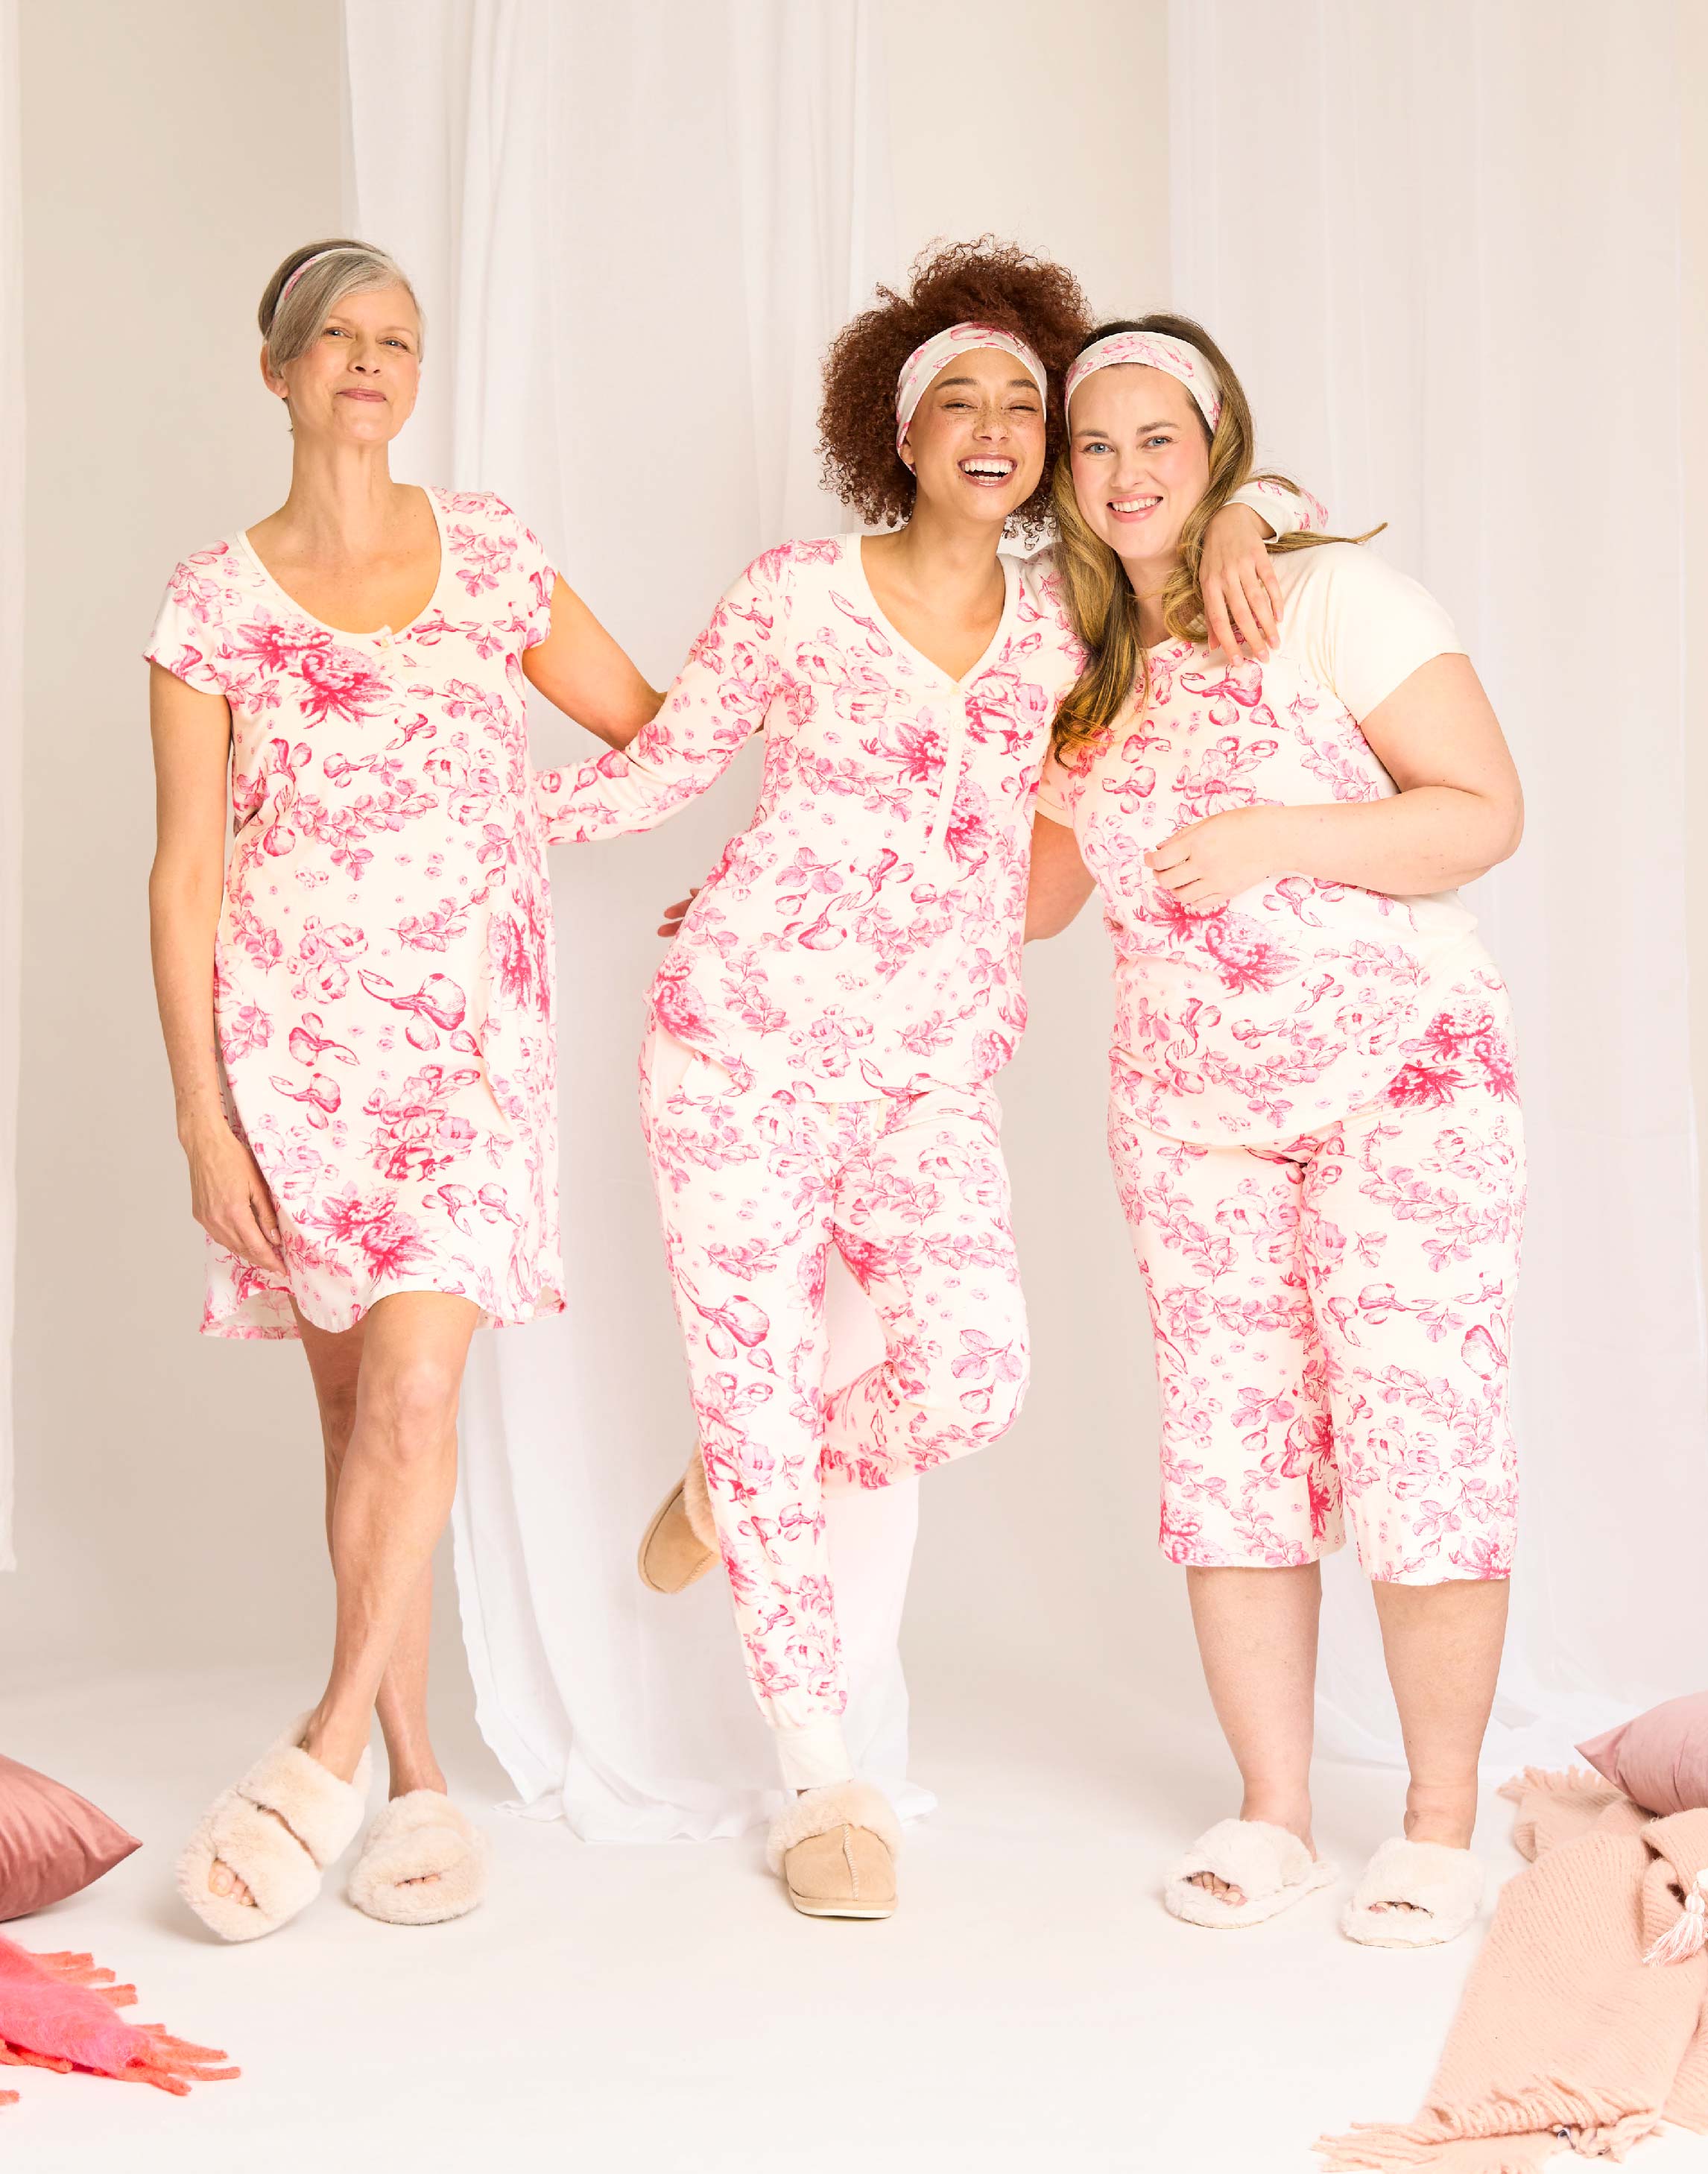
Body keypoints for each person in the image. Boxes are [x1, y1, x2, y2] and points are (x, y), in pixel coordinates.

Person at [538, 244, 1321, 1918]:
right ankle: (823, 1777)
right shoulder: (792, 594)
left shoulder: (1073, 627)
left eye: (1023, 403)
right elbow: (659, 771)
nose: (993, 427)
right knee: (750, 1378)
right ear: (897, 434)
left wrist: (1247, 516)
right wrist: (469, 822)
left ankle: (738, 1479)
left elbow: (1238, 528)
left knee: (971, 1377)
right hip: (735, 1048)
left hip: (927, 1077)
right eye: (954, 400)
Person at [145, 239, 659, 1940]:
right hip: (292, 1057)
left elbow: (652, 729)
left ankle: (317, 1754)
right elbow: (185, 874)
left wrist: (524, 823)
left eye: (397, 339)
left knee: (420, 1395)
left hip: (467, 1052)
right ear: (280, 370)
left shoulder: (491, 551)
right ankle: (419, 1773)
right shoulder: (213, 602)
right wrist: (204, 1115)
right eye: (338, 337)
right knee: (357, 1419)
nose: (369, 360)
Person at [1026, 317, 1525, 1946]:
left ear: (1220, 447)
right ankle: (1275, 1812)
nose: (1127, 473)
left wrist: (1273, 837)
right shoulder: (1081, 671)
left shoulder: (1328, 601)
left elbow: (1482, 811)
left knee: (1421, 1440)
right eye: (1095, 445)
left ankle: (1437, 1826)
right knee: (1229, 1458)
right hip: (1191, 1120)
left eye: (1159, 439)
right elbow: (1026, 897)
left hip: (1402, 1088)